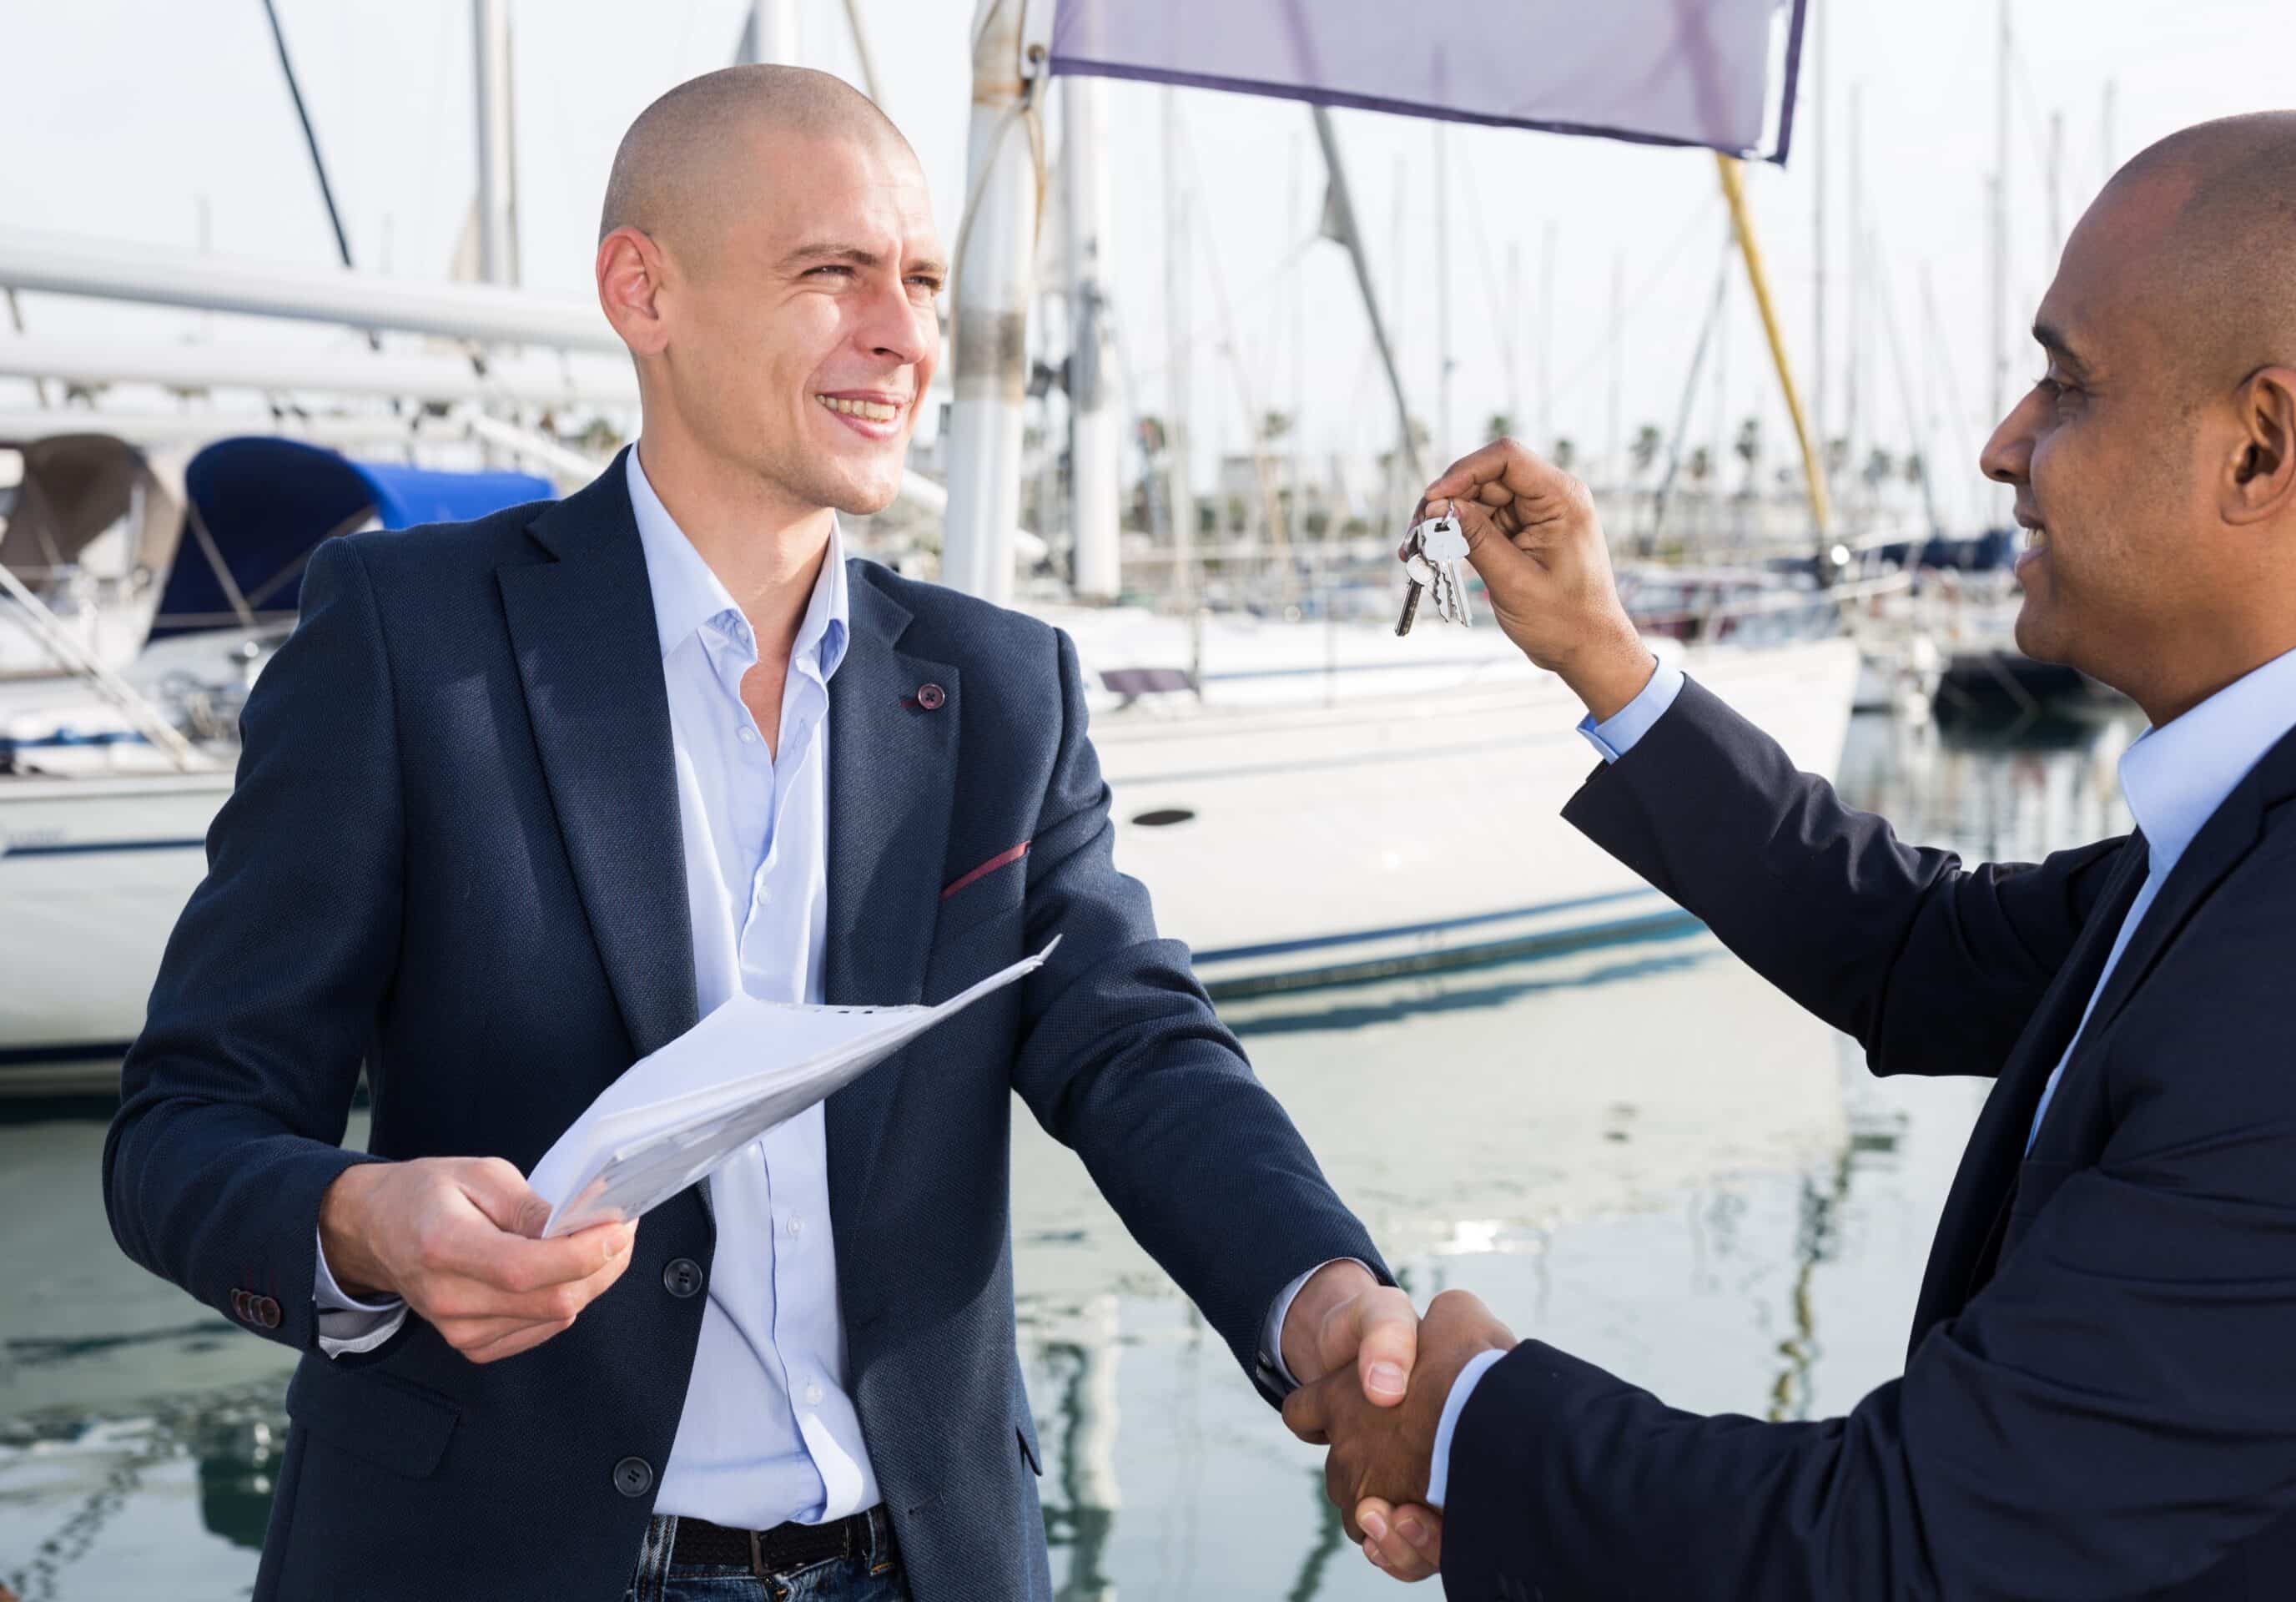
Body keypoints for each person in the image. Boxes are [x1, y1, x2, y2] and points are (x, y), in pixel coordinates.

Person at [103, 67, 1423, 1602]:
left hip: (920, 1566)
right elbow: (182, 1125)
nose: (907, 336)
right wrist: (359, 1223)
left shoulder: (1006, 688)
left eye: (922, 281)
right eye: (833, 273)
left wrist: (1323, 1299)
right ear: (641, 290)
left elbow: (1136, 1052)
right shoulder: (410, 641)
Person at [1284, 108, 2296, 1598]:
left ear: (2260, 447)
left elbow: (1909, 1553)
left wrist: (1473, 1419)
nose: (2004, 443)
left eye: (2067, 383)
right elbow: (1914, 951)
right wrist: (1605, 657)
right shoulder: (2292, 827)